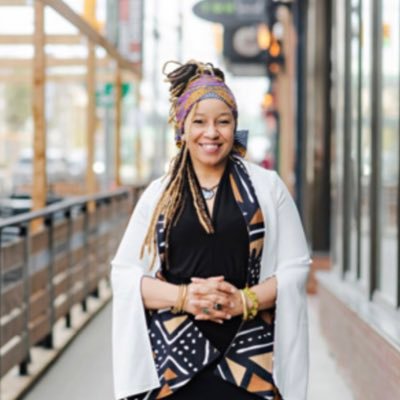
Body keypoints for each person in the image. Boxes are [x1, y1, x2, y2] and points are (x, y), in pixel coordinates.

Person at [110, 60, 312, 400]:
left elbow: (296, 268)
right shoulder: (160, 194)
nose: (212, 133)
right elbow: (124, 275)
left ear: (235, 126)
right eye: (199, 122)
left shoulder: (267, 187)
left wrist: (244, 301)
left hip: (250, 359)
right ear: (182, 128)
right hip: (173, 362)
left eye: (223, 121)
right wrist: (184, 297)